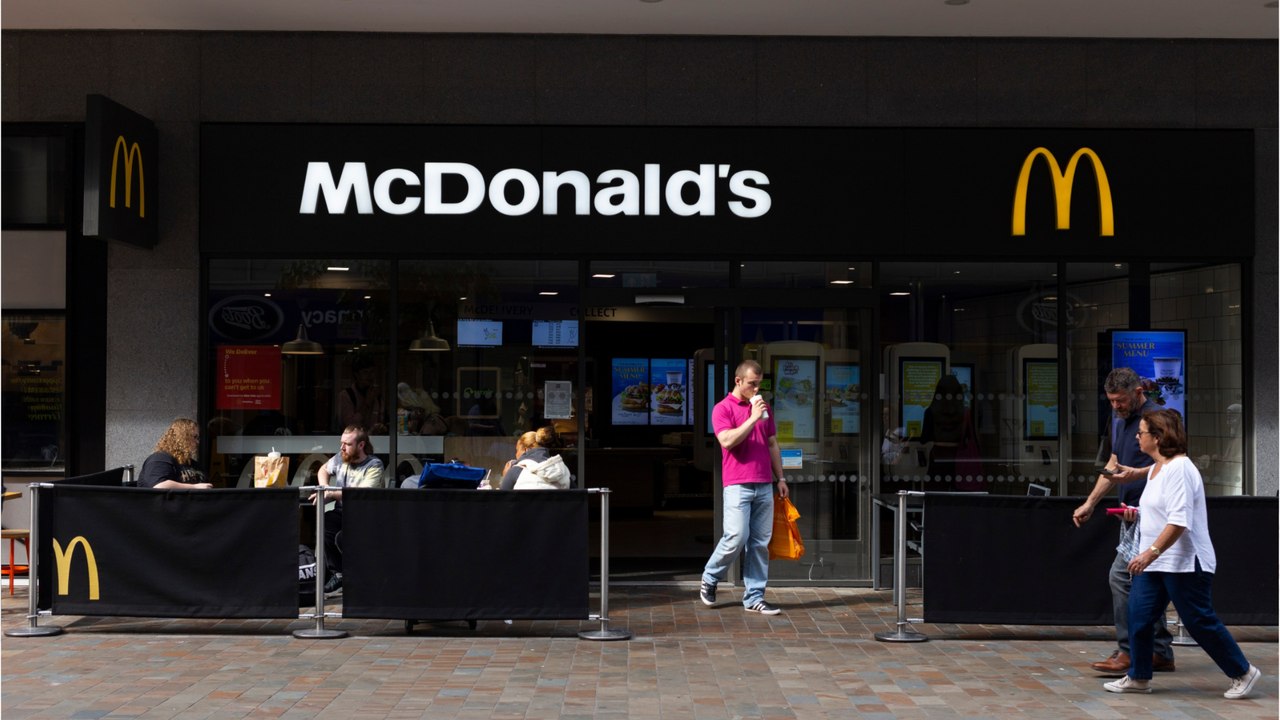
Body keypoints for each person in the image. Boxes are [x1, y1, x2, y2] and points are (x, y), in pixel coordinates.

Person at [1102, 409, 1261, 699]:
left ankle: (1243, 672)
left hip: (1185, 562)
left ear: (1158, 437)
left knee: (1198, 620)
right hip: (1157, 561)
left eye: (1142, 432)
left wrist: (1149, 553)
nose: (1137, 436)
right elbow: (1157, 509)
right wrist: (1132, 512)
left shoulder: (1181, 470)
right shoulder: (1156, 469)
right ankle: (1138, 677)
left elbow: (1178, 521)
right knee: (1137, 616)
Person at [1072, 367, 1175, 675]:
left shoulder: (1157, 419)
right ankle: (1158, 651)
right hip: (1129, 516)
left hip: (1151, 516)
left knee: (1121, 577)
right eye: (1111, 400)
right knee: (1144, 580)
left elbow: (1172, 464)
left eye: (1121, 400)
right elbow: (1114, 464)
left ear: (1138, 392)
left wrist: (1136, 478)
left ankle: (1130, 651)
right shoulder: (1119, 421)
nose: (1116, 406)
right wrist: (1090, 502)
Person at [700, 360, 788, 615]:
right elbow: (726, 441)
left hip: (764, 483)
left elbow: (772, 444)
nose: (756, 388)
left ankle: (754, 597)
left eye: (759, 384)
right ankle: (710, 576)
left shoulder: (763, 407)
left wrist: (780, 478)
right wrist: (751, 417)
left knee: (760, 543)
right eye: (752, 384)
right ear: (738, 381)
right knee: (735, 537)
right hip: (737, 483)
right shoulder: (722, 408)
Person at [314, 425, 385, 595]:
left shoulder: (374, 465)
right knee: (324, 524)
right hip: (342, 512)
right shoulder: (341, 457)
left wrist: (330, 493)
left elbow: (359, 495)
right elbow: (323, 469)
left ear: (361, 445)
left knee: (342, 537)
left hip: (364, 516)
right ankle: (339, 574)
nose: (342, 447)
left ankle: (362, 579)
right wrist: (324, 487)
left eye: (347, 444)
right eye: (341, 443)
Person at [138, 418, 213, 489]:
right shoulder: (160, 459)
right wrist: (195, 487)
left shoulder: (192, 464)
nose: (197, 442)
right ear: (183, 437)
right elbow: (159, 485)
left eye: (198, 438)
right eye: (195, 437)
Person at [499, 426, 567, 490]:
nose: (515, 454)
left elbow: (502, 498)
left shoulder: (516, 470)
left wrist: (506, 477)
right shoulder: (561, 468)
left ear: (525, 450)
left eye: (517, 450)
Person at [337, 354, 385, 432]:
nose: (370, 376)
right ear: (357, 375)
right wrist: (366, 404)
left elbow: (381, 421)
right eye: (365, 372)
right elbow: (349, 426)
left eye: (372, 372)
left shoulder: (377, 396)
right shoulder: (346, 396)